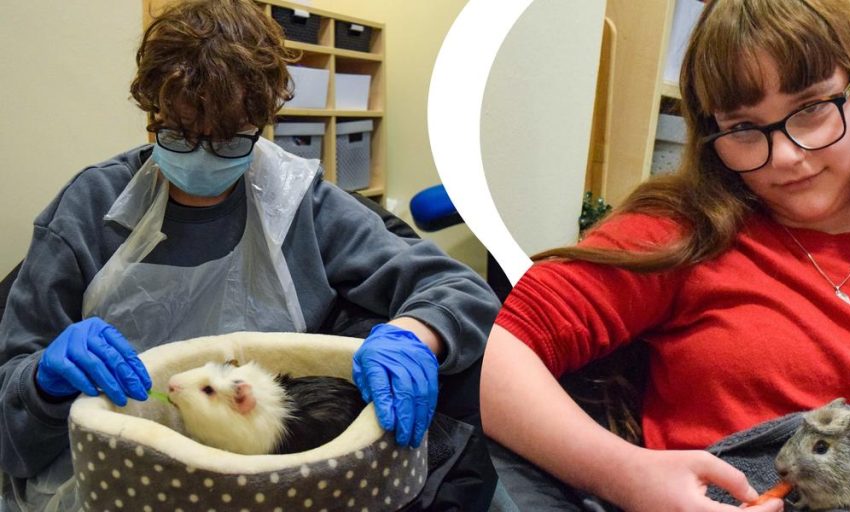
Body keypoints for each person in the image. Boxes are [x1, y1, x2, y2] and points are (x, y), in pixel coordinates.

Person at [480, 1, 850, 511]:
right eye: (742, 128)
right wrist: (625, 474)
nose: (786, 156)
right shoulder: (678, 233)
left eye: (811, 108)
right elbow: (495, 352)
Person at [0, 0, 499, 510]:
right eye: (179, 133)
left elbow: (456, 289)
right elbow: (7, 427)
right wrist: (41, 384)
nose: (202, 157)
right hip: (113, 482)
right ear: (153, 110)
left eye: (229, 140)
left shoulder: (301, 204)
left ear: (262, 122)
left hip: (269, 478)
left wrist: (412, 337)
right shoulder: (88, 210)